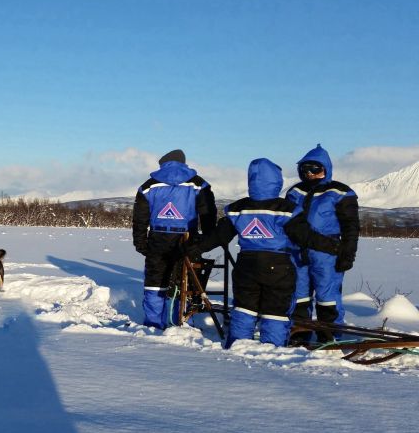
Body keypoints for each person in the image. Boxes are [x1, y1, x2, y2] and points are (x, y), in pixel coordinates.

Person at [186, 158, 340, 348]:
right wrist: (333, 247)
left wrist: (194, 249)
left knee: (244, 309)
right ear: (276, 181)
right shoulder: (286, 210)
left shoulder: (238, 209)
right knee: (275, 311)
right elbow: (305, 236)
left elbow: (219, 236)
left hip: (246, 266)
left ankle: (237, 345)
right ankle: (271, 349)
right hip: (278, 266)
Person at [132, 149, 217, 329]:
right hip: (187, 239)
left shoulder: (148, 186)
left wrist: (140, 243)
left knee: (156, 282)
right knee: (183, 282)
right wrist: (205, 241)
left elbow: (140, 218)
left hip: (158, 238)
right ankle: (180, 322)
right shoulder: (198, 184)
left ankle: (153, 324)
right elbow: (208, 214)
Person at [285, 144, 360, 344]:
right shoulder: (295, 192)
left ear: (326, 168)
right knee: (299, 296)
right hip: (297, 253)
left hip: (327, 253)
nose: (309, 173)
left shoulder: (339, 192)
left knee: (327, 297)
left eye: (315, 169)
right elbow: (284, 221)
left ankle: (329, 336)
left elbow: (351, 226)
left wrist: (348, 253)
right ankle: (300, 334)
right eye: (305, 169)